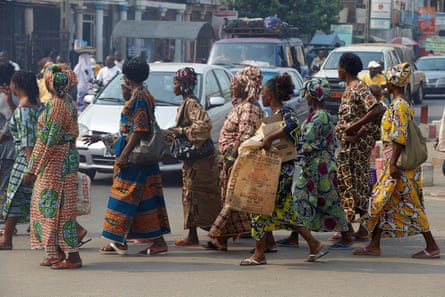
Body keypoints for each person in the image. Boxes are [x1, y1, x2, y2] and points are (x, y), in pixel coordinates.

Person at [84, 56, 170, 256]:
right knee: (142, 198)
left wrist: (124, 154)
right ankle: (121, 239)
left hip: (134, 157)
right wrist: (102, 137)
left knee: (123, 197)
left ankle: (124, 239)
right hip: (135, 155)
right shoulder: (141, 94)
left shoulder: (140, 97)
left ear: (127, 76)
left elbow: (139, 129)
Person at [353, 62, 441, 259]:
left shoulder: (399, 105)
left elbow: (399, 137)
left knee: (410, 206)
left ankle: (432, 246)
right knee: (380, 203)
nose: (386, 83)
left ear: (393, 83)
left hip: (398, 166)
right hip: (392, 163)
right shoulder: (398, 104)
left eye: (388, 80)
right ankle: (374, 245)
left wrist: (392, 164)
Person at [241, 73, 328, 266]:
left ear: (270, 95)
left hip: (279, 171)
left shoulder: (285, 112)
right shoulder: (272, 116)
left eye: (263, 93)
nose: (261, 96)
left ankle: (259, 254)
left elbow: (292, 125)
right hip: (277, 169)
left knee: (259, 208)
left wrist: (269, 139)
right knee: (285, 211)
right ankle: (314, 244)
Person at [22, 63, 82, 269]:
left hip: (57, 162)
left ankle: (72, 256)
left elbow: (48, 141)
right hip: (63, 159)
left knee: (59, 209)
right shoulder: (67, 101)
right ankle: (55, 251)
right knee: (51, 208)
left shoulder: (57, 106)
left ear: (49, 84)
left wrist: (32, 168)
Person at [204, 66, 265, 251]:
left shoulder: (249, 108)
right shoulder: (242, 106)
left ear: (245, 85)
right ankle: (223, 238)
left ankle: (218, 235)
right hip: (232, 160)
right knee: (233, 201)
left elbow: (245, 136)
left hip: (239, 161)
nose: (232, 87)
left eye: (236, 84)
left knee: (234, 200)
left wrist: (232, 157)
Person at [333, 52, 384, 244]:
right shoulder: (349, 88)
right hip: (348, 146)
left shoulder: (359, 88)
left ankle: (351, 229)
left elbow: (377, 109)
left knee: (349, 184)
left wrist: (355, 129)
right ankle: (358, 228)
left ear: (344, 69)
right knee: (355, 185)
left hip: (356, 148)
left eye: (338, 67)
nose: (337, 70)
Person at [167, 67, 221, 247]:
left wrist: (182, 131)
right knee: (192, 196)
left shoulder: (192, 104)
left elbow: (203, 127)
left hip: (201, 162)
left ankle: (217, 233)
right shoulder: (187, 103)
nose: (173, 86)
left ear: (183, 85)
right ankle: (193, 234)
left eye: (175, 83)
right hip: (193, 162)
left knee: (201, 196)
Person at [296, 78, 351, 249]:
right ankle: (295, 236)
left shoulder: (319, 117)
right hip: (316, 166)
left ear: (312, 96)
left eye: (307, 95)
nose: (305, 98)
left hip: (320, 167)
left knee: (328, 202)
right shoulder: (318, 115)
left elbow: (306, 141)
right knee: (305, 199)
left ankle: (347, 237)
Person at [0, 71, 43, 250]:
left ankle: (7, 239)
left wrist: (30, 168)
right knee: (35, 199)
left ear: (15, 86)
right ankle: (7, 238)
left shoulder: (24, 111)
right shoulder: (38, 106)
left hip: (25, 161)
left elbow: (28, 141)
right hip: (35, 159)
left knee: (15, 198)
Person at [0, 63, 16, 232]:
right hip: (7, 149)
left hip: (6, 149)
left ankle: (6, 225)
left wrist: (2, 135)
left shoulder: (5, 98)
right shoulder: (11, 96)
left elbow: (12, 118)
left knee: (4, 187)